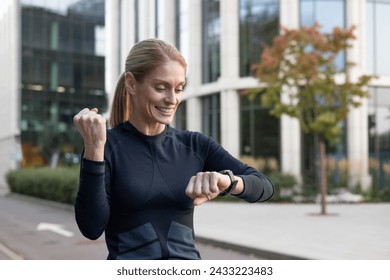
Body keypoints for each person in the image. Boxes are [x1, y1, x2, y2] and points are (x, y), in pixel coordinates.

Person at [73, 38, 274, 260]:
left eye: (179, 89)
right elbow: (91, 228)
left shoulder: (195, 145)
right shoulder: (106, 147)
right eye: (161, 88)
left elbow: (264, 186)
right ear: (131, 83)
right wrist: (93, 149)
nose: (172, 99)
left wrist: (229, 181)